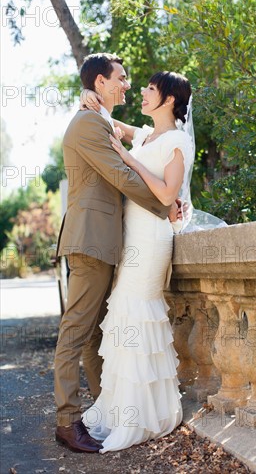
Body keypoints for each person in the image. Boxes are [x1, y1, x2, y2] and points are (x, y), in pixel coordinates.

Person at [54, 54, 176, 454]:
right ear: (101, 82)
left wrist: (89, 96)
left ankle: (101, 412)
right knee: (77, 331)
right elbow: (121, 176)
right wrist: (165, 204)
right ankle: (68, 422)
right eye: (121, 78)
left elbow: (149, 136)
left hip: (103, 240)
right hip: (90, 239)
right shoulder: (89, 122)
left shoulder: (99, 118)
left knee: (93, 334)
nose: (127, 84)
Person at [80, 70, 194, 452]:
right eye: (142, 87)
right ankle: (125, 410)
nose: (141, 92)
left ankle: (143, 416)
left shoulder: (178, 141)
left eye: (150, 89)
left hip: (151, 238)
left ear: (170, 100)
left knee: (137, 314)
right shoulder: (148, 135)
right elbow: (109, 124)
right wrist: (86, 96)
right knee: (125, 317)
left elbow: (166, 196)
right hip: (130, 235)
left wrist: (129, 159)